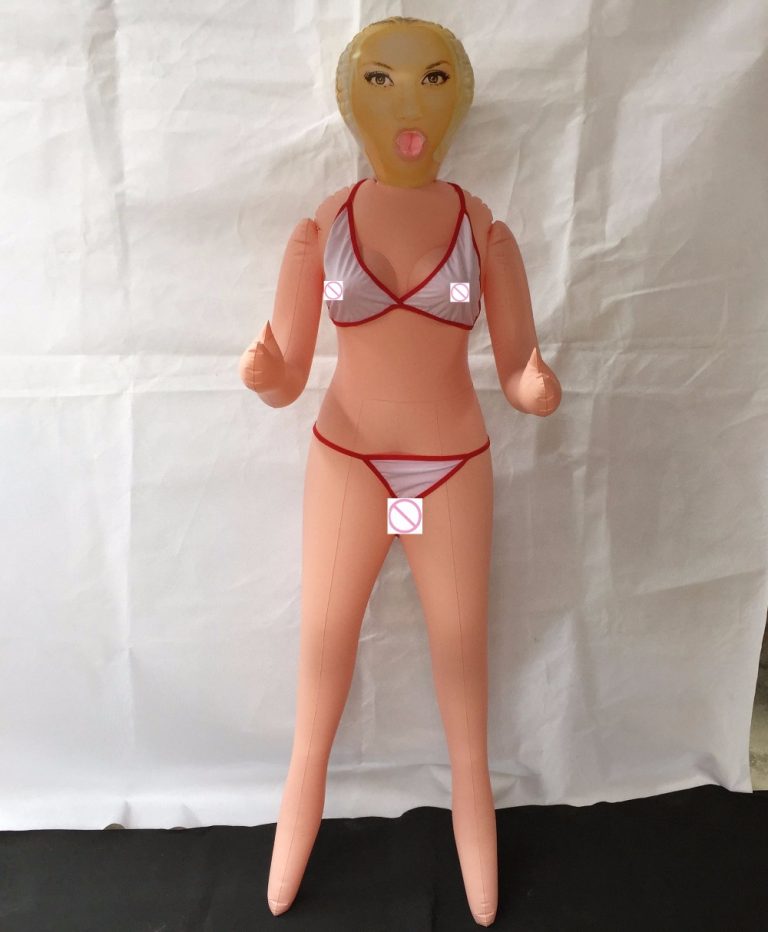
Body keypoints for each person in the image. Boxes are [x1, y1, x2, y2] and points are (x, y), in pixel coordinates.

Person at [239, 15, 562, 927]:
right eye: (381, 80)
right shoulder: (323, 228)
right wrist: (266, 375)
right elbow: (289, 373)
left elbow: (517, 367)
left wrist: (534, 388)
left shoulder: (483, 231)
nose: (409, 102)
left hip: (450, 471)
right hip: (350, 466)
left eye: (432, 78)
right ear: (352, 100)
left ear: (459, 98)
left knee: (461, 661)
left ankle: (478, 846)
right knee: (322, 655)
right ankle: (291, 837)